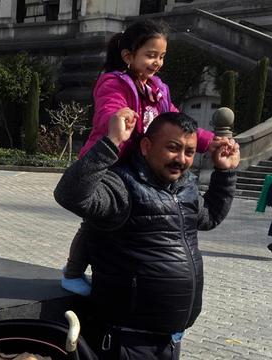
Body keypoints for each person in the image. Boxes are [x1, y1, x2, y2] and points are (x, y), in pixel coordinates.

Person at [54, 112, 240, 359]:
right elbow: (70, 194)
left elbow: (210, 217)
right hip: (130, 340)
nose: (181, 159)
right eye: (173, 148)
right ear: (146, 146)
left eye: (189, 151)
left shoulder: (185, 187)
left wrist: (224, 174)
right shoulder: (122, 186)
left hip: (171, 338)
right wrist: (111, 141)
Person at [61, 19, 219, 296]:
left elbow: (175, 120)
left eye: (161, 56)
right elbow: (109, 107)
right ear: (128, 56)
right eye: (150, 55)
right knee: (94, 221)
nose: (156, 62)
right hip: (112, 160)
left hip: (140, 166)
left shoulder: (157, 88)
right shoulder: (113, 81)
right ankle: (72, 272)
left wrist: (208, 141)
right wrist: (117, 118)